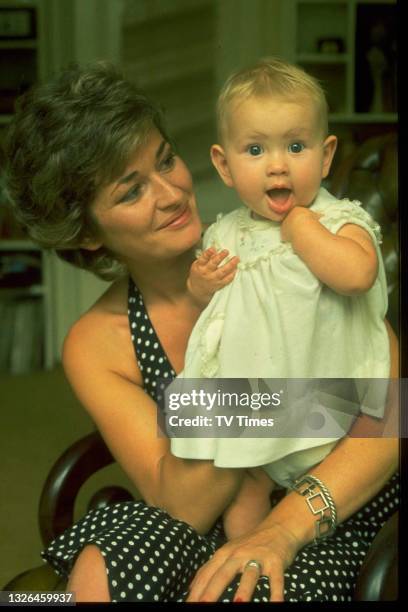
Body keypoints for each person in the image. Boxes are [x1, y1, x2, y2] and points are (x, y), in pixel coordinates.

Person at [3, 61, 398, 603]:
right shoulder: (97, 342)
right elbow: (180, 505)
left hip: (325, 506)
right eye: (131, 191)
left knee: (253, 589)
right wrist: (294, 397)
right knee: (82, 581)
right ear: (89, 234)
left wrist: (278, 523)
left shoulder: (283, 253)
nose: (171, 194)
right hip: (201, 518)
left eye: (165, 160)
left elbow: (387, 414)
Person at [170, 57, 392, 541]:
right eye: (254, 149)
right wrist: (201, 284)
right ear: (224, 166)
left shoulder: (337, 220)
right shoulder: (226, 230)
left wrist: (301, 229)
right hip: (254, 408)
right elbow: (203, 302)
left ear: (326, 155)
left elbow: (357, 276)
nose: (277, 164)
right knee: (244, 492)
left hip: (329, 406)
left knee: (319, 510)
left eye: (296, 146)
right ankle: (244, 561)